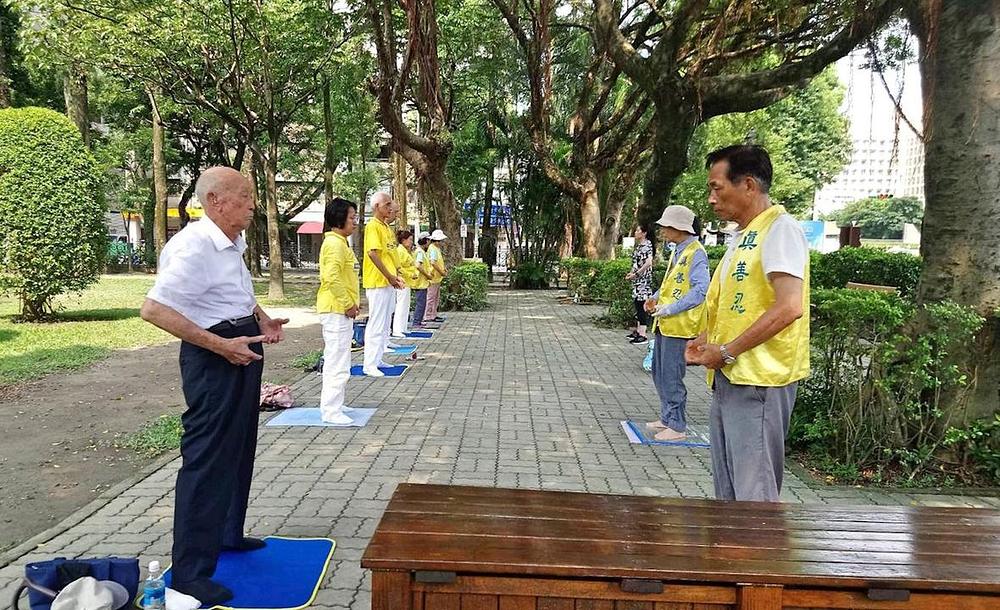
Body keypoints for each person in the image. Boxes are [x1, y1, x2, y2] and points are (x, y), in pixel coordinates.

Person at [139, 166, 289, 606]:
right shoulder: (192, 247)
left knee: (239, 447)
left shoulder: (231, 241)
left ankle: (227, 534)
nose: (252, 204)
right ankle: (189, 572)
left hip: (240, 347)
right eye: (244, 196)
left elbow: (233, 291)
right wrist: (220, 346)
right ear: (215, 202)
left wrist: (260, 316)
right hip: (214, 359)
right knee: (206, 460)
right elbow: (154, 310)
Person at [685, 144, 810, 502]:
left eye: (716, 187)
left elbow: (790, 307)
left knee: (753, 494)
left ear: (749, 186)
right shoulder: (743, 237)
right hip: (731, 375)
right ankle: (729, 557)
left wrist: (725, 351)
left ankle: (755, 558)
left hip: (760, 381)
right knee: (729, 491)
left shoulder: (780, 230)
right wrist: (707, 340)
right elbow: (731, 301)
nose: (710, 198)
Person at [643, 206, 709, 442]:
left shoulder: (696, 253)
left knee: (671, 375)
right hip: (665, 323)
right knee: (659, 372)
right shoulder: (678, 250)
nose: (661, 230)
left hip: (680, 326)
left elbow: (701, 290)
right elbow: (670, 284)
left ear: (680, 228)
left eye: (665, 226)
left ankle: (677, 426)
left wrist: (670, 308)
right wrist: (655, 297)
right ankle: (667, 418)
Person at [316, 197, 360, 425]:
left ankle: (336, 402)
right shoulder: (333, 244)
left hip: (340, 309)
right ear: (340, 219)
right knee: (336, 360)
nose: (355, 222)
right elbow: (331, 277)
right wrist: (348, 303)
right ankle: (331, 411)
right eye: (352, 218)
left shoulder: (340, 243)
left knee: (341, 358)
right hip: (335, 310)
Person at [362, 193, 405, 377]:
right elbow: (373, 253)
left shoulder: (386, 227)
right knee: (377, 322)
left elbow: (390, 254)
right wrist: (389, 276)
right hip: (378, 281)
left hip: (388, 281)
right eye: (387, 204)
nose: (390, 208)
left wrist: (396, 274)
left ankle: (378, 358)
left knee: (385, 320)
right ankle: (369, 364)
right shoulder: (373, 226)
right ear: (377, 206)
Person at [625, 224, 655, 344]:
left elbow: (648, 263)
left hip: (643, 281)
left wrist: (636, 274)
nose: (635, 232)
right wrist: (631, 273)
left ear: (644, 233)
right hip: (637, 281)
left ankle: (643, 334)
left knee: (642, 305)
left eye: (638, 230)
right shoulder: (639, 246)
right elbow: (636, 262)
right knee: (637, 304)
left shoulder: (647, 245)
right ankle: (638, 331)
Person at [391, 230, 420, 338]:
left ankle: (403, 327)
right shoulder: (400, 251)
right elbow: (399, 268)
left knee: (405, 306)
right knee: (401, 306)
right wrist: (409, 274)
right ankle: (397, 329)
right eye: (410, 240)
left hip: (407, 281)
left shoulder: (406, 251)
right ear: (403, 240)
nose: (411, 242)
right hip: (402, 281)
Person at [423, 229, 447, 323]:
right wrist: (441, 272)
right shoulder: (433, 249)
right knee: (431, 297)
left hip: (436, 277)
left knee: (435, 297)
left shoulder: (436, 248)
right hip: (433, 277)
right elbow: (433, 262)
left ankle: (433, 314)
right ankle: (428, 315)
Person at [411, 233, 434, 329]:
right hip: (421, 282)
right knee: (421, 303)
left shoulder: (421, 251)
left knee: (422, 302)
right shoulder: (420, 252)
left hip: (422, 281)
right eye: (428, 240)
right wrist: (427, 275)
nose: (429, 242)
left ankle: (418, 321)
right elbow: (418, 265)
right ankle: (416, 322)